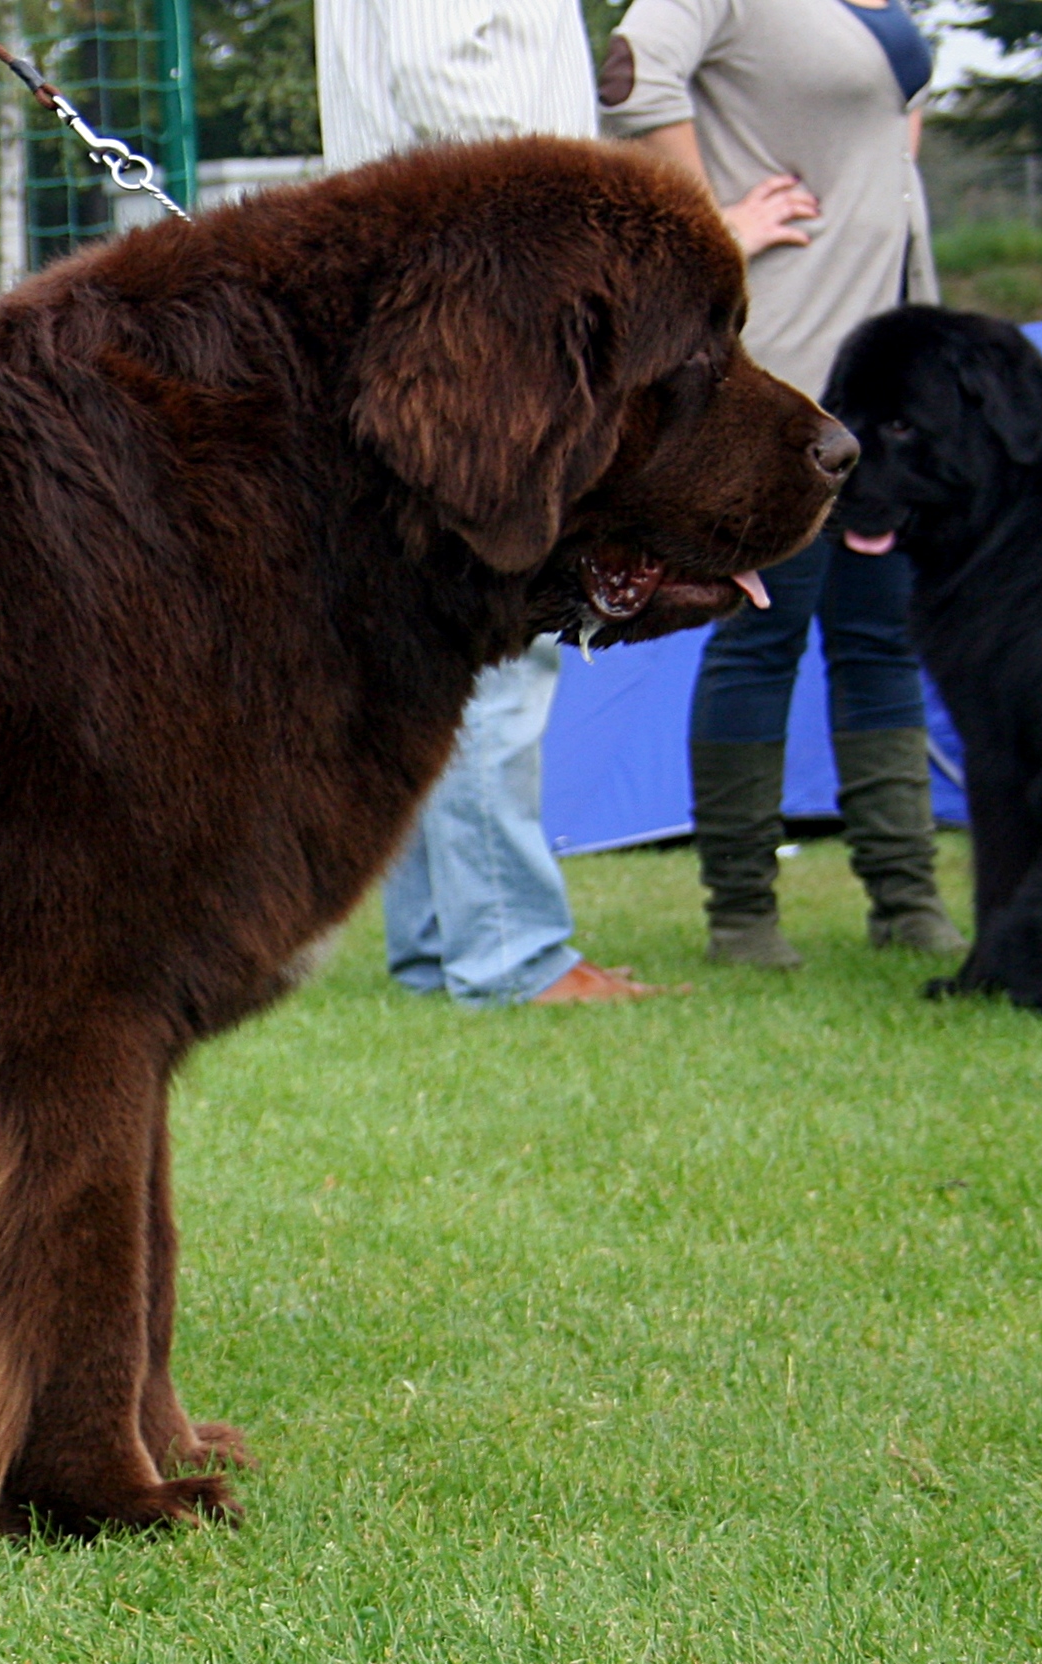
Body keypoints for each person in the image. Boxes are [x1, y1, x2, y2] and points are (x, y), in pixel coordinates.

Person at [318, 0, 672, 1006]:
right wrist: (579, 232)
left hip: (432, 286)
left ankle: (441, 941)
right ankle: (509, 950)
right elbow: (445, 81)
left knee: (436, 629)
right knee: (500, 624)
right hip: (492, 294)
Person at [603, 0, 966, 968]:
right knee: (759, 638)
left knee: (881, 637)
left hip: (888, 382)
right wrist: (714, 226)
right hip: (783, 379)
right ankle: (743, 916)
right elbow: (630, 76)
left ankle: (907, 898)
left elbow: (897, 113)